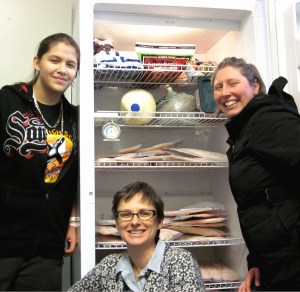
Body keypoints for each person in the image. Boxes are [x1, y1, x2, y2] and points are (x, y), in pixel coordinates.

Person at [212, 57, 300, 291]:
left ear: (256, 86)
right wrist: (256, 262)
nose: (225, 92)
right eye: (218, 87)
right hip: (274, 263)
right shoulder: (243, 132)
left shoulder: (268, 119)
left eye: (232, 83)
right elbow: (254, 204)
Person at [0, 33, 80, 291]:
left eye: (70, 64)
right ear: (37, 62)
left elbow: (70, 177)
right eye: (54, 60)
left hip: (48, 243)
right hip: (5, 237)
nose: (62, 70)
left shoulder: (73, 118)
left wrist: (73, 221)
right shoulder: (8, 101)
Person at [69, 181, 205, 292]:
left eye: (145, 213)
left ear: (159, 222)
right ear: (116, 223)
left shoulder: (180, 262)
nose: (134, 222)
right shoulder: (109, 266)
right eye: (125, 214)